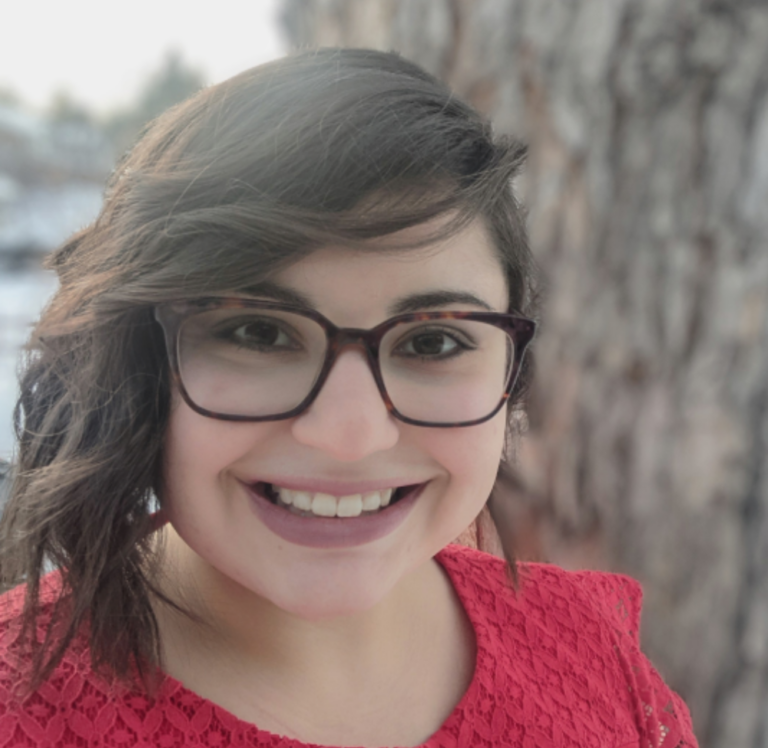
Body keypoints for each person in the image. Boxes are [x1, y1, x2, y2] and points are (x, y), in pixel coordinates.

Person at [0, 48, 697, 747]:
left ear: (510, 376)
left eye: (432, 343)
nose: (349, 435)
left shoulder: (594, 659)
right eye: (259, 332)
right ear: (134, 362)